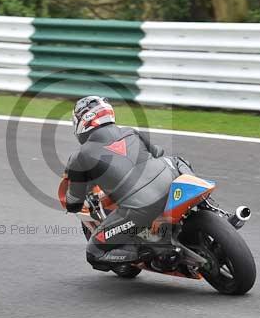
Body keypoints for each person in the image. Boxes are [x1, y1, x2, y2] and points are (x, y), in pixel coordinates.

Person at [63, 95, 186, 269]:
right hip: (170, 182)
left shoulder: (80, 157)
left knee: (94, 253)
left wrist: (69, 203)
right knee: (176, 159)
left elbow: (74, 202)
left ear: (83, 121)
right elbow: (158, 152)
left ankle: (153, 251)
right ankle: (211, 208)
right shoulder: (130, 131)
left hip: (140, 209)